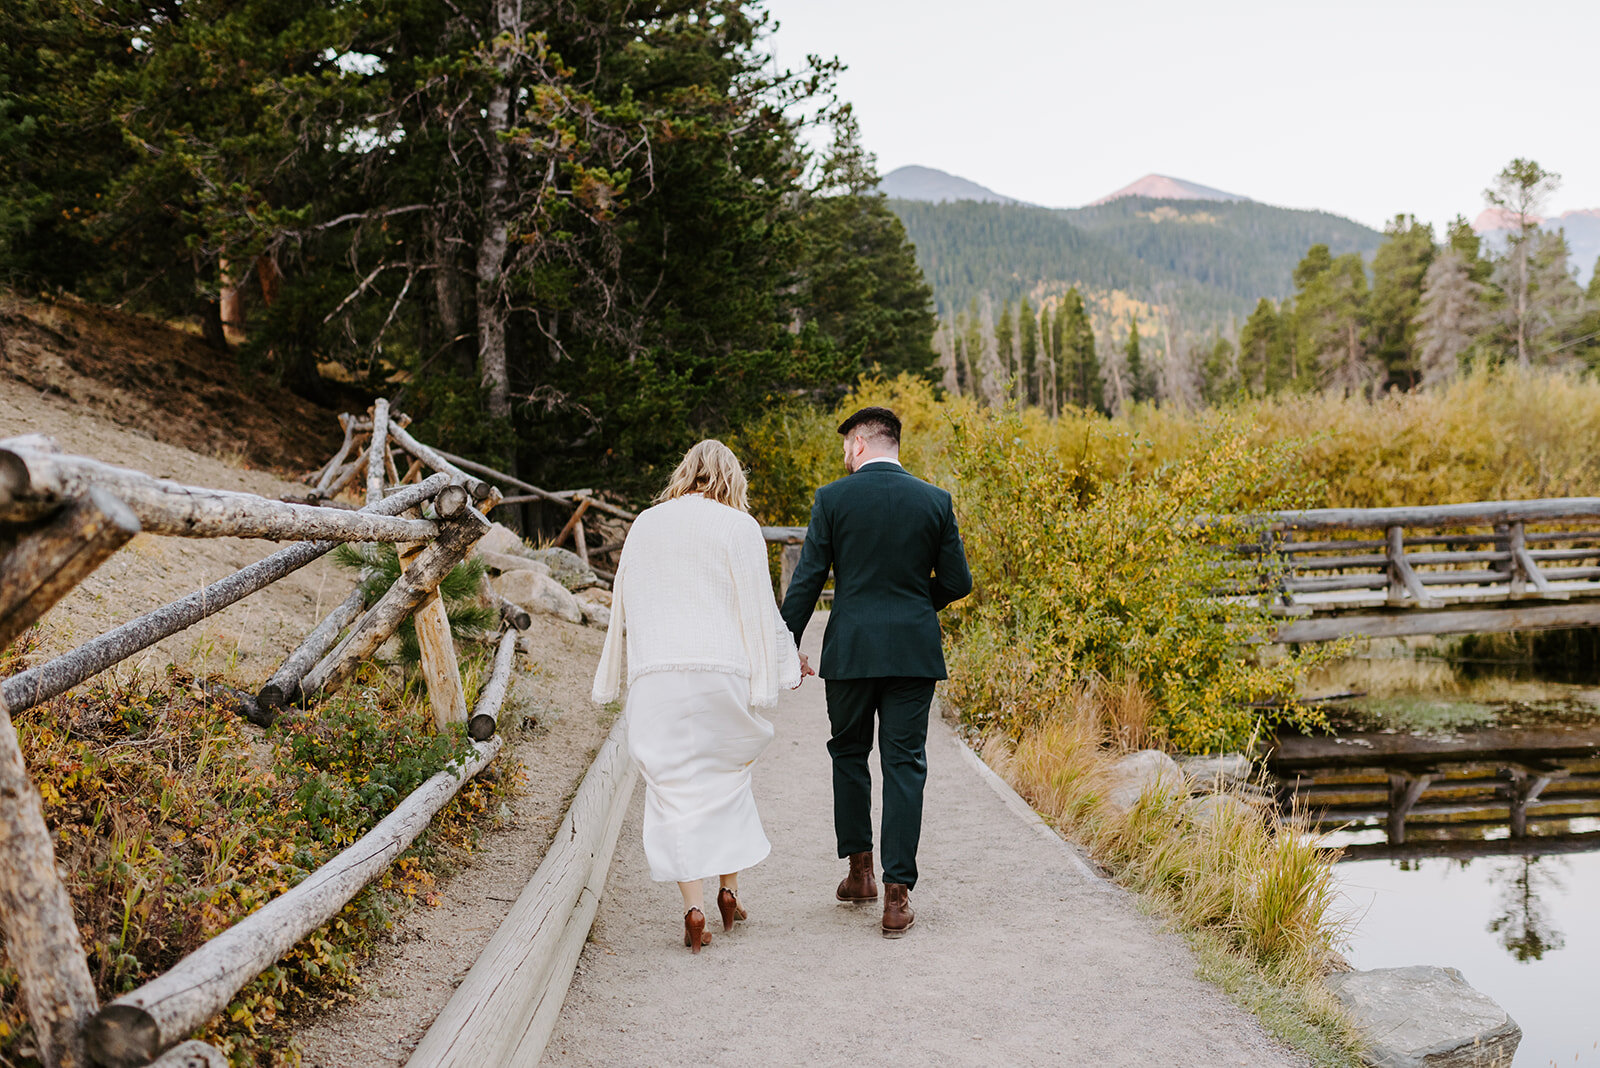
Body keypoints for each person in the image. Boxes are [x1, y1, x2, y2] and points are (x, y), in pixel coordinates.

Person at [592, 439, 802, 954]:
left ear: (685, 472)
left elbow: (629, 601)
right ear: (732, 478)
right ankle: (730, 892)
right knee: (727, 779)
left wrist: (625, 671)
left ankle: (694, 907)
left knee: (672, 789)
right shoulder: (739, 527)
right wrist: (786, 662)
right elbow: (759, 606)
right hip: (720, 669)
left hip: (657, 672)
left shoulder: (645, 523)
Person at [780, 406, 972, 938]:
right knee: (905, 763)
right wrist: (914, 604)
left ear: (861, 444)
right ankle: (896, 896)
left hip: (851, 651)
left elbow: (808, 582)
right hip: (912, 652)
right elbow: (958, 581)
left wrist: (781, 646)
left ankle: (860, 873)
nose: (844, 455)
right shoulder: (935, 501)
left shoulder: (833, 500)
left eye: (847, 446)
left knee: (848, 753)